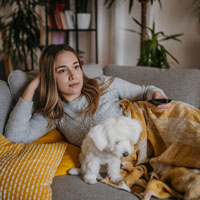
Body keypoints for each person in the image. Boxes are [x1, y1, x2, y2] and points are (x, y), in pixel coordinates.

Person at [4, 44, 171, 147]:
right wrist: (32, 86)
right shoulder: (54, 114)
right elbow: (15, 136)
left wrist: (157, 94)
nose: (73, 75)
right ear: (49, 77)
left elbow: (144, 90)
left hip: (155, 128)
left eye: (76, 67)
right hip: (131, 153)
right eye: (62, 70)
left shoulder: (104, 85)